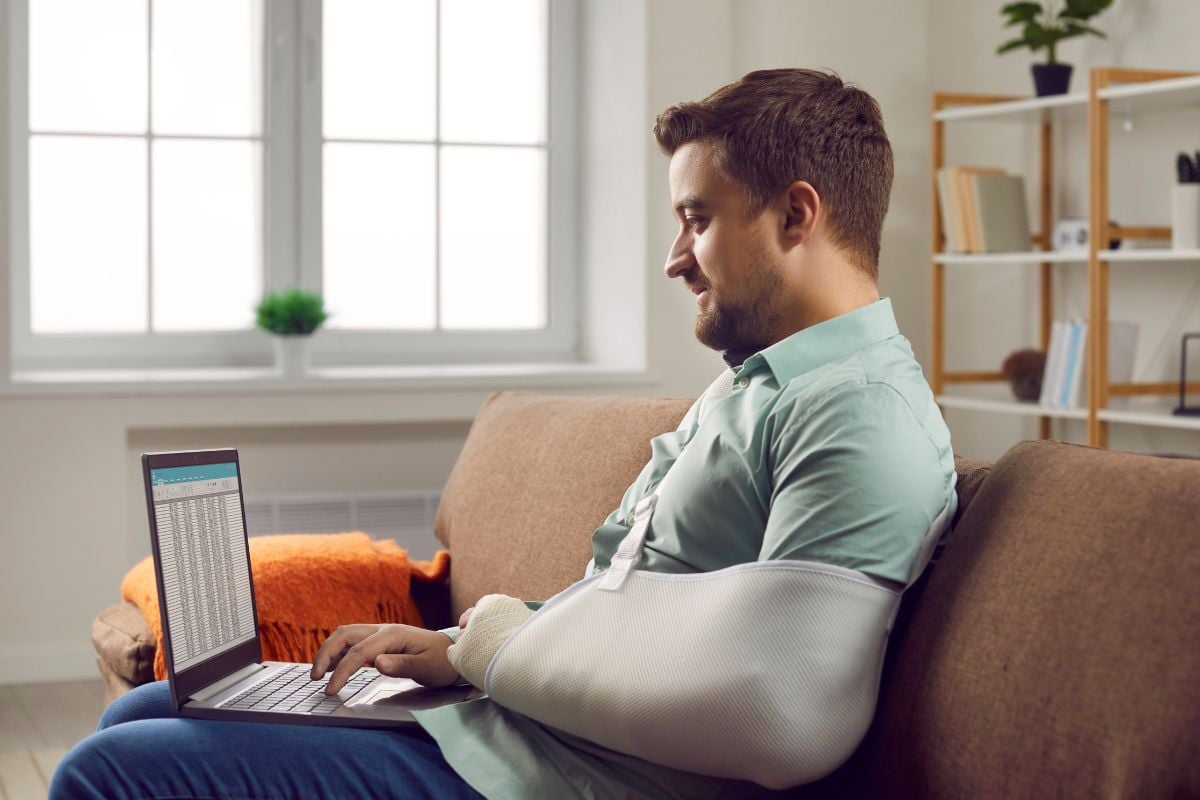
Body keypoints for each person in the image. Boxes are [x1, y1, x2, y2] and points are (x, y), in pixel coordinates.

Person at [51, 68, 956, 799]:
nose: (676, 258)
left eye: (698, 219)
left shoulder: (858, 414)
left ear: (797, 215)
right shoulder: (754, 384)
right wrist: (455, 655)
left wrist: (485, 651)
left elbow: (785, 717)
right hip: (520, 731)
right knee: (147, 714)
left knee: (106, 771)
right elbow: (638, 611)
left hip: (564, 776)